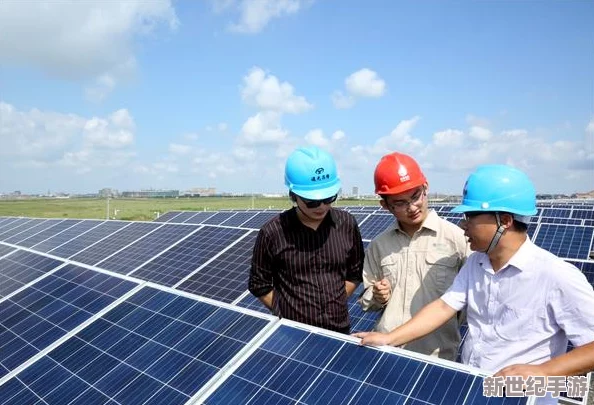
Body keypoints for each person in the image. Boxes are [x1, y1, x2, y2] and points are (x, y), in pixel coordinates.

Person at [354, 164, 594, 404]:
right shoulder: (476, 264)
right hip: (475, 389)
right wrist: (390, 338)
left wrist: (543, 373)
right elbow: (443, 307)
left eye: (470, 217)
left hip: (524, 397)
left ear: (505, 221)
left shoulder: (557, 276)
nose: (462, 225)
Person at [358, 151, 469, 360]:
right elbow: (367, 303)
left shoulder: (458, 240)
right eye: (399, 203)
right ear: (385, 205)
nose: (412, 207)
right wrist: (377, 296)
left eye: (416, 196)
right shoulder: (379, 245)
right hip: (386, 352)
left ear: (425, 187)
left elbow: (469, 304)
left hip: (435, 356)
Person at [249, 145, 365, 334]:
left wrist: (335, 304)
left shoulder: (346, 223)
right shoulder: (273, 232)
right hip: (292, 333)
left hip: (339, 329)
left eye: (329, 198)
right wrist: (285, 313)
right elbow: (258, 284)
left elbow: (354, 273)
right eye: (312, 201)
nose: (321, 207)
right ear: (293, 196)